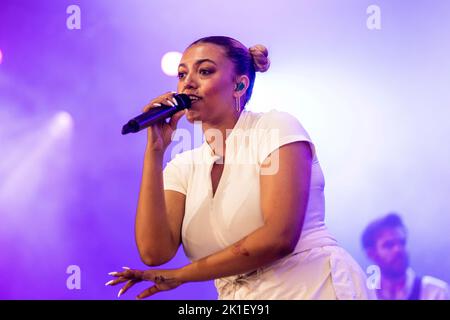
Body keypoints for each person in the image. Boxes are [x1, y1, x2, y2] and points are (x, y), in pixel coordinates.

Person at [105, 35, 373, 300]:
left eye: (205, 71)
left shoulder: (274, 127)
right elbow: (154, 252)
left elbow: (278, 238)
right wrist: (155, 152)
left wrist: (181, 275)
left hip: (312, 286)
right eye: (182, 74)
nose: (188, 83)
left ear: (239, 85)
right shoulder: (184, 166)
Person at [362, 212, 449, 300]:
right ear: (371, 254)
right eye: (389, 245)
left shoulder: (436, 293)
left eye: (402, 242)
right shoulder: (363, 294)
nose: (398, 249)